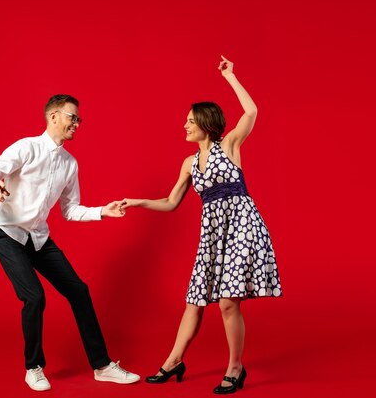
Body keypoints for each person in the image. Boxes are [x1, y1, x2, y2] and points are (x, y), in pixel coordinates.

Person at [120, 56, 282, 394]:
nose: (185, 126)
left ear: (206, 124)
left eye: (190, 121)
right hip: (212, 236)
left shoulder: (230, 145)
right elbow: (170, 202)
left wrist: (231, 77)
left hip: (242, 227)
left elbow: (251, 113)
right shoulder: (189, 164)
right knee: (194, 300)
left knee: (227, 302)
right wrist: (138, 202)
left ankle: (235, 368)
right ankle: (174, 360)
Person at [0, 94, 140, 391]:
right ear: (53, 116)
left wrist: (102, 211)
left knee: (78, 290)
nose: (76, 124)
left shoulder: (70, 164)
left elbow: (70, 210)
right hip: (6, 232)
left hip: (37, 237)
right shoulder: (27, 147)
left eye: (78, 119)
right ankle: (34, 367)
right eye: (71, 117)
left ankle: (102, 366)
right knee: (35, 297)